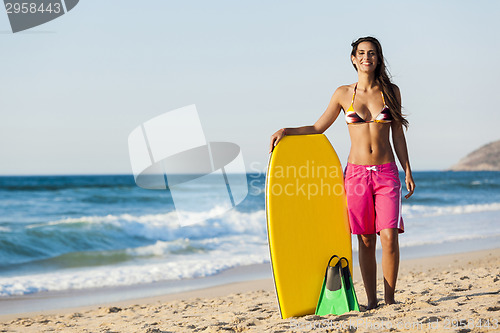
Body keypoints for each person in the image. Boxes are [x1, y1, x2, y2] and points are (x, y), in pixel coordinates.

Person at [268, 36, 415, 310]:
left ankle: (390, 298)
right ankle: (371, 300)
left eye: (371, 53)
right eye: (361, 53)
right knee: (366, 239)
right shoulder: (343, 93)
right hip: (356, 174)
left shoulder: (391, 91)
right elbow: (318, 127)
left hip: (386, 173)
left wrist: (406, 168)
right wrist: (287, 131)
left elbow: (397, 133)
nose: (366, 58)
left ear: (378, 57)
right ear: (353, 58)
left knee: (389, 236)